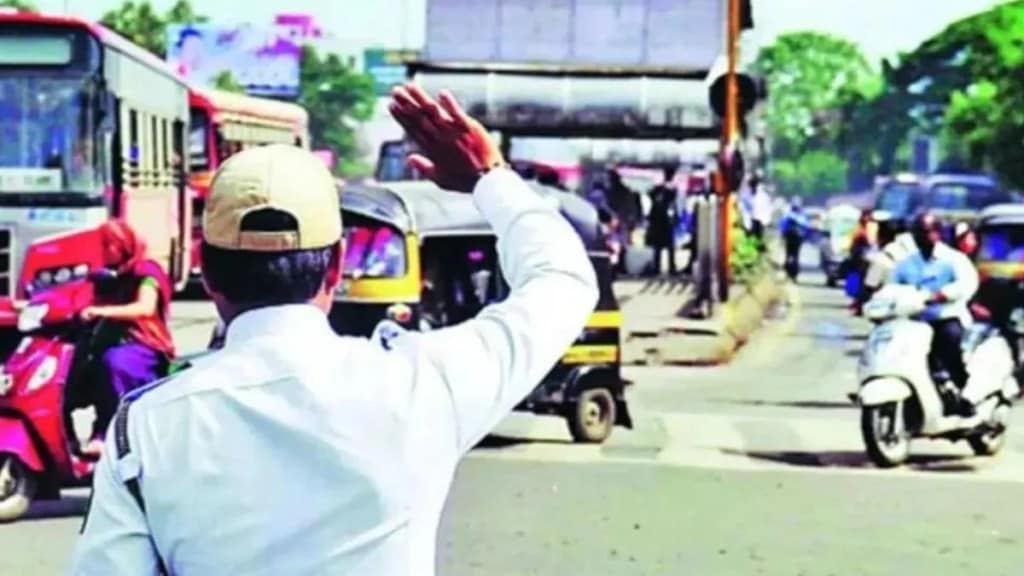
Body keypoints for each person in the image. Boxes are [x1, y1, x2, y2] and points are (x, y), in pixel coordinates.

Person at [70, 83, 598, 575]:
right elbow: (564, 281)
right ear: (337, 265)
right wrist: (491, 178)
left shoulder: (143, 426)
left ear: (208, 274)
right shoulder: (422, 381)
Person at [78, 220, 175, 457]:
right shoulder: (110, 276)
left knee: (114, 363)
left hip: (144, 344)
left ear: (123, 244)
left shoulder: (146, 272)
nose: (105, 251)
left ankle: (111, 432)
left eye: (109, 245)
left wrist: (101, 312)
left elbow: (145, 308)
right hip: (114, 339)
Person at [891, 211, 979, 417]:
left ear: (938, 233)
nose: (922, 236)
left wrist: (942, 294)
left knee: (949, 340)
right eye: (918, 232)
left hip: (945, 317)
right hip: (914, 320)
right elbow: (892, 287)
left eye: (927, 231)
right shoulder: (907, 264)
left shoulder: (953, 259)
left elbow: (968, 283)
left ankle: (961, 390)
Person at [645, 165, 679, 275]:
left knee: (661, 247)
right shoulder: (667, 189)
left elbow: (650, 194)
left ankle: (661, 268)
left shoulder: (662, 189)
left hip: (660, 221)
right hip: (663, 221)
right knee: (664, 246)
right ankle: (668, 268)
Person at [779, 197, 811, 281]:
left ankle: (790, 273)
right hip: (797, 239)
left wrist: (782, 235)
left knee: (789, 255)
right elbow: (806, 227)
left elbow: (783, 227)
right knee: (795, 256)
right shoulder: (801, 215)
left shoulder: (788, 215)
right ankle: (793, 274)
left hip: (790, 238)